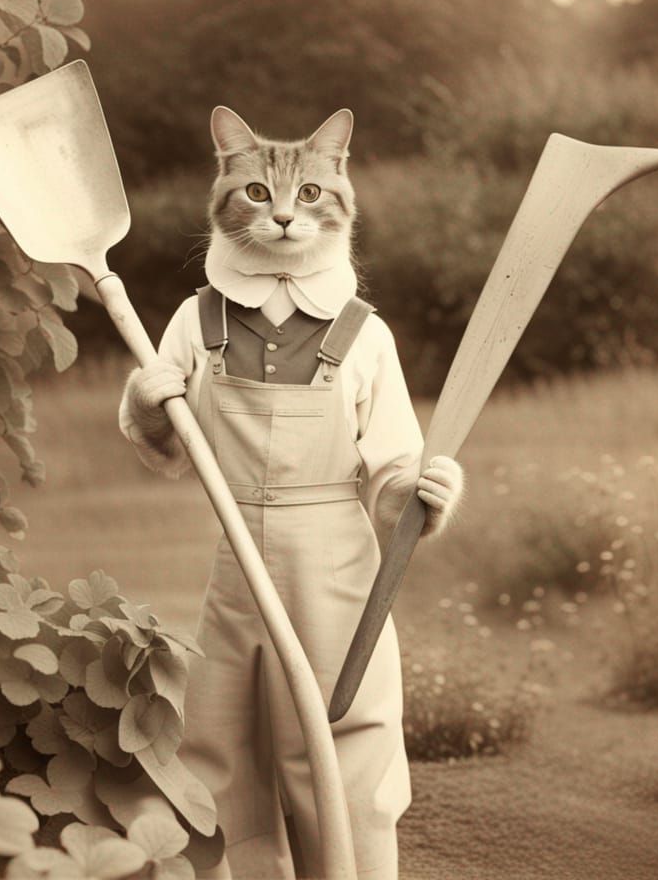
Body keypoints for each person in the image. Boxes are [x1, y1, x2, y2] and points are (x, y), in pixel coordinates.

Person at [119, 106, 464, 878]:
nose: (279, 212)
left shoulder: (364, 332)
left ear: (338, 188)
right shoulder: (193, 317)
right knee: (222, 743)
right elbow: (168, 450)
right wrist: (146, 405)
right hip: (235, 563)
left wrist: (420, 492)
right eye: (254, 195)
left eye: (308, 194)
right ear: (223, 193)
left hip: (337, 569)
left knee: (345, 745)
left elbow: (388, 478)